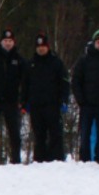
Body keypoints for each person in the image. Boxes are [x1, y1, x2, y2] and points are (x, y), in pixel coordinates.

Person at [21, 34, 70, 163]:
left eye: (43, 46)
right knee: (39, 135)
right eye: (38, 47)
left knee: (55, 134)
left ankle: (57, 160)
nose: (41, 49)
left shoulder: (56, 63)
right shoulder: (30, 64)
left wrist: (64, 100)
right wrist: (24, 102)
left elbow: (64, 83)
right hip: (36, 105)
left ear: (47, 47)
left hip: (53, 105)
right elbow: (25, 84)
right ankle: (39, 160)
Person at [0, 28, 26, 164]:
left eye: (10, 41)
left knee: (15, 133)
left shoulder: (19, 59)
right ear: (1, 42)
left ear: (13, 42)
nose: (8, 43)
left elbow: (25, 81)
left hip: (12, 101)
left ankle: (16, 161)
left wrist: (22, 99)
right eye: (5, 40)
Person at [73, 31, 99, 163]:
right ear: (94, 42)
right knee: (85, 134)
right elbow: (76, 81)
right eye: (98, 42)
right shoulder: (84, 60)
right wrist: (80, 100)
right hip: (87, 104)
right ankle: (84, 159)